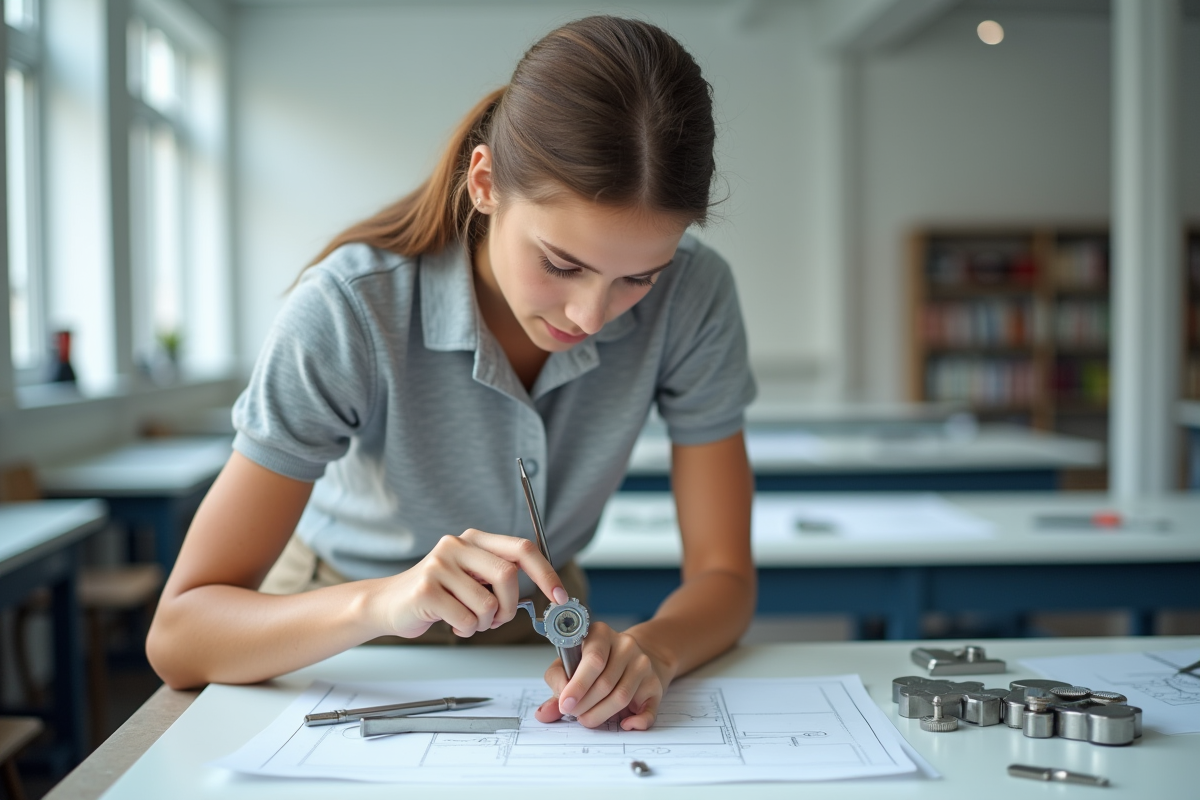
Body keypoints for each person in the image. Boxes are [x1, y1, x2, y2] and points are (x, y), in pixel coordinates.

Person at [147, 15, 756, 732]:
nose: (593, 315)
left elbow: (725, 577)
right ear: (485, 182)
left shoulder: (696, 293)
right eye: (561, 264)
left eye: (639, 278)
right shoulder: (348, 309)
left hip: (538, 634)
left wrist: (652, 650)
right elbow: (179, 636)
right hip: (327, 627)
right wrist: (385, 602)